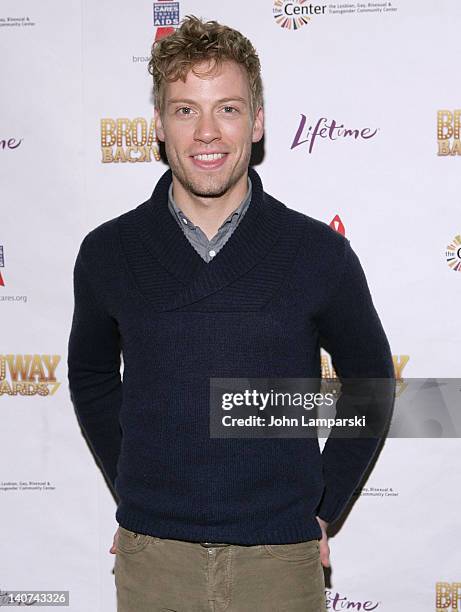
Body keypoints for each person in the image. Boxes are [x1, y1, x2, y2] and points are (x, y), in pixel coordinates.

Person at [67, 15, 395, 612]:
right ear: (160, 127)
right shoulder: (108, 253)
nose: (207, 132)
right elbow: (91, 379)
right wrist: (133, 491)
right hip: (152, 560)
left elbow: (371, 384)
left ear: (258, 121)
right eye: (186, 109)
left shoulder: (317, 253)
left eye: (228, 108)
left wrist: (324, 506)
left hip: (280, 561)